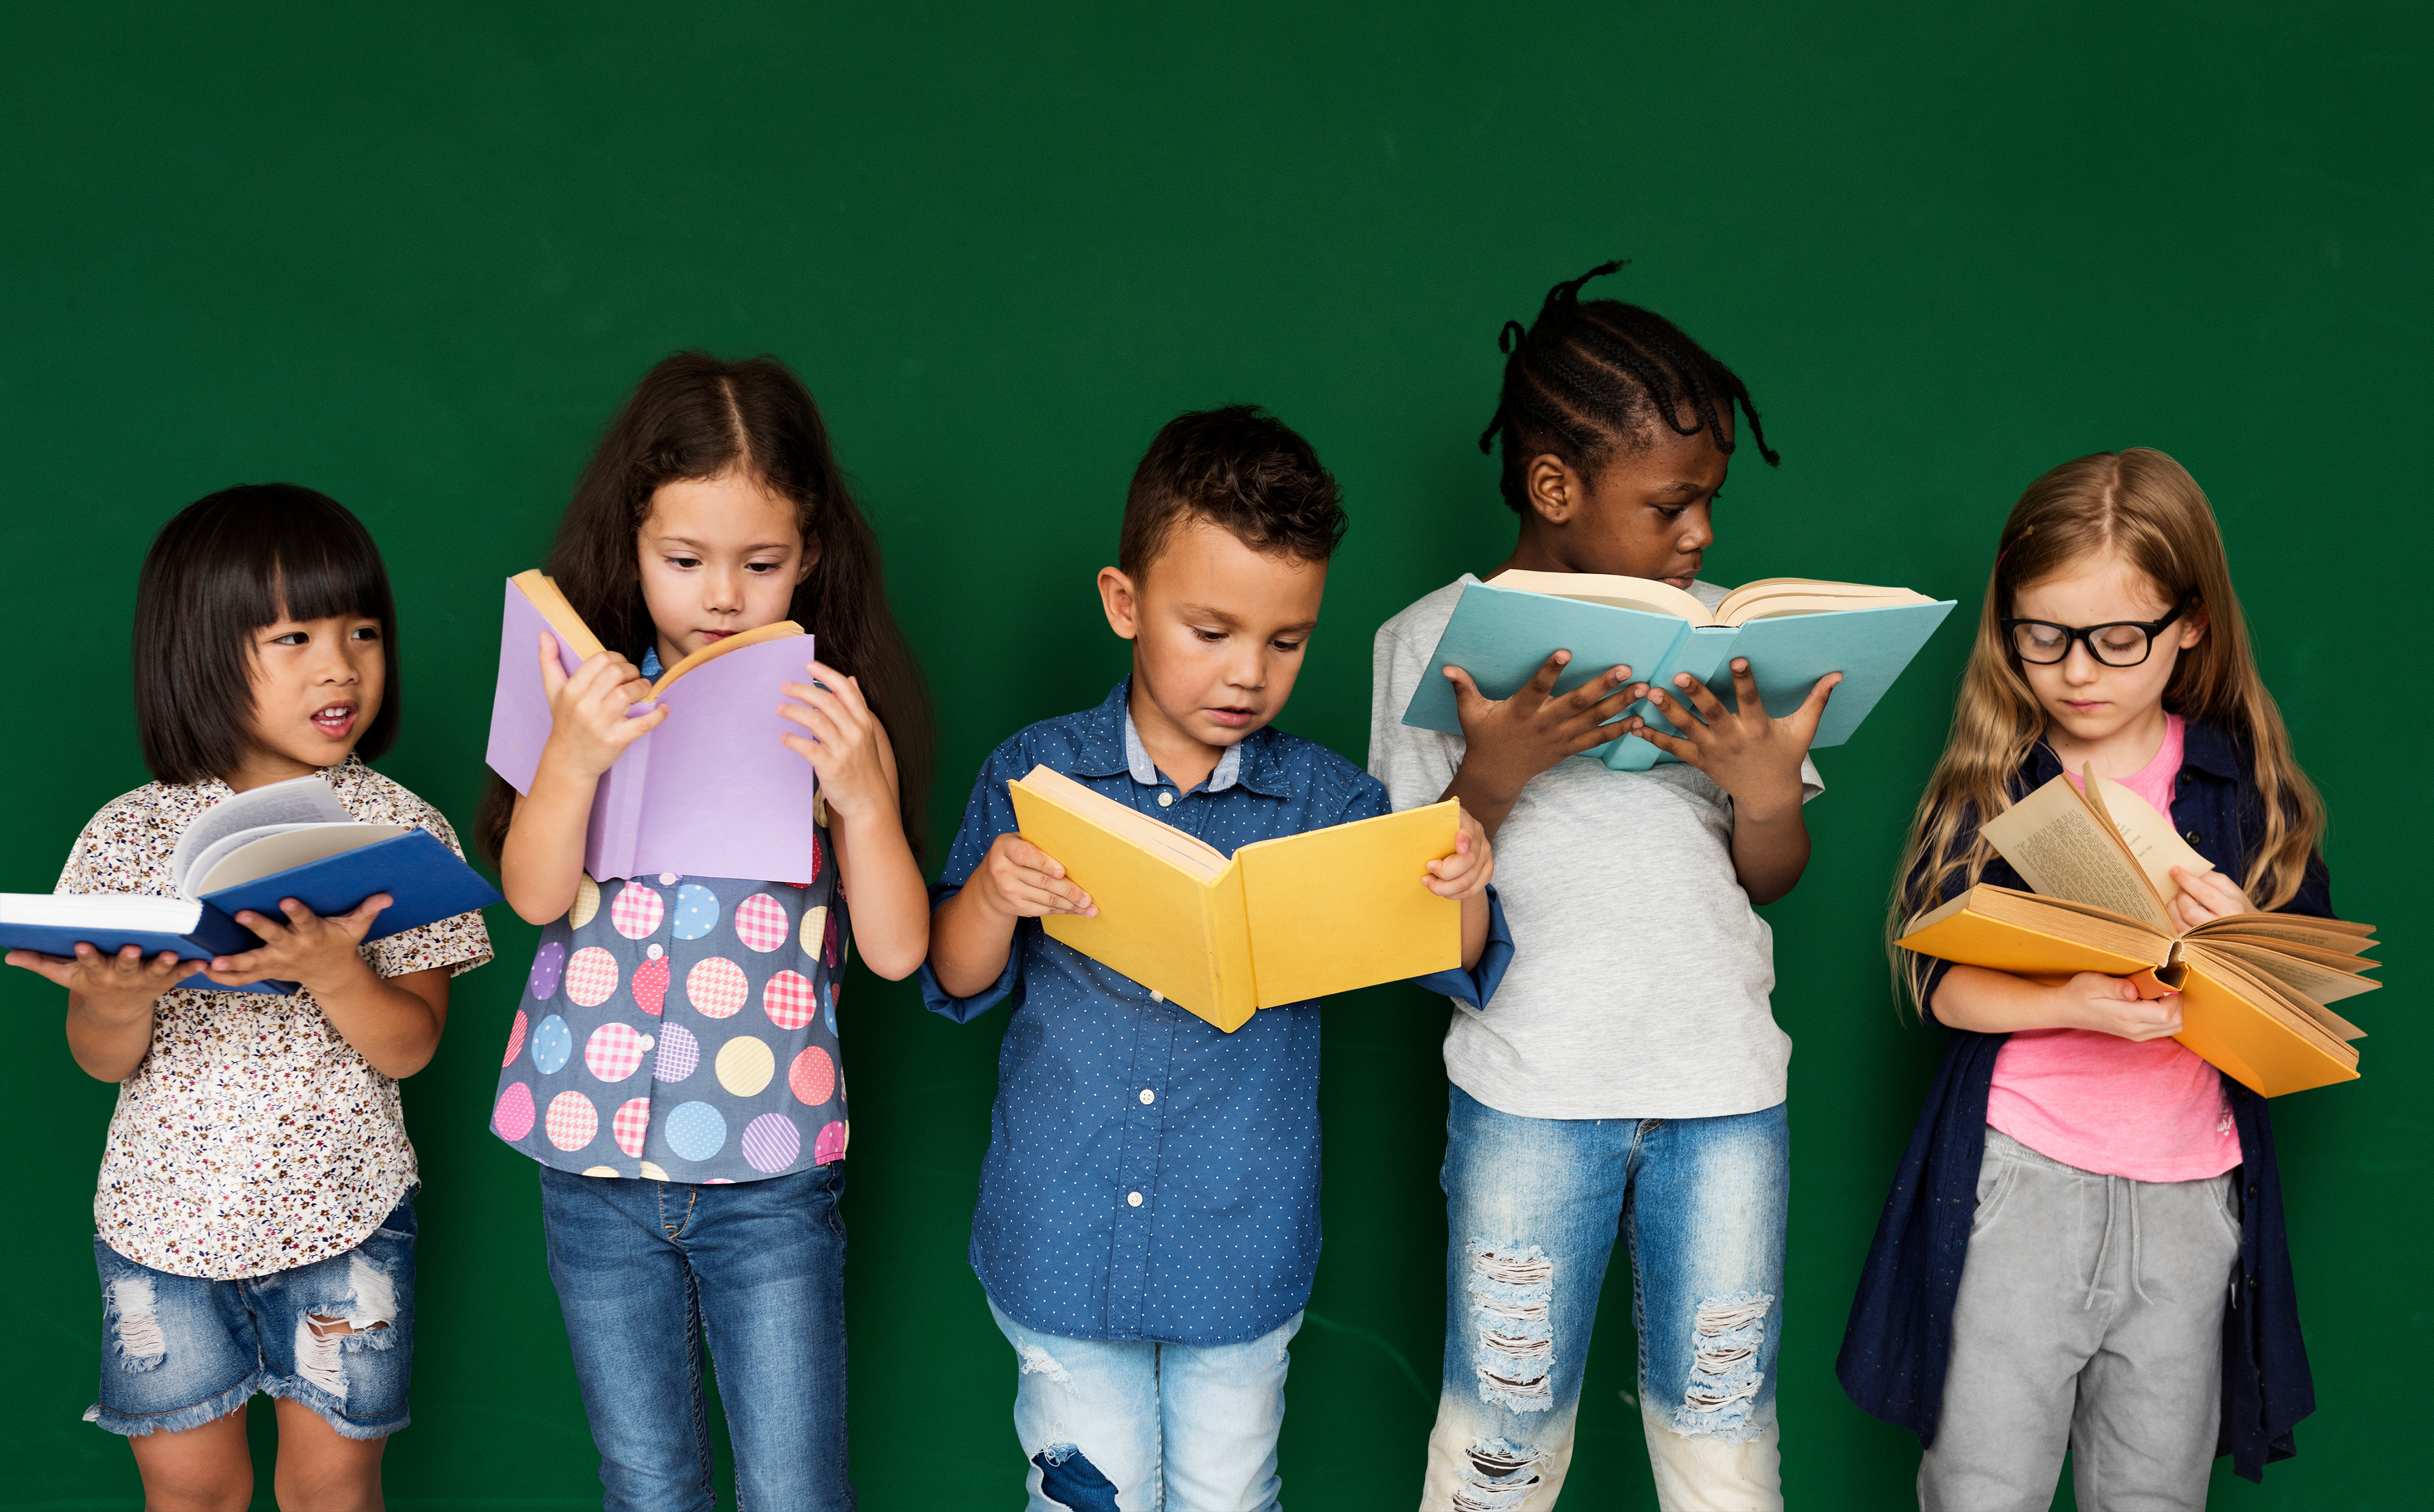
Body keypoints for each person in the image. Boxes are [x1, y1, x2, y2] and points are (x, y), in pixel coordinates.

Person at [922, 405, 1508, 1512]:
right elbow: (955, 977)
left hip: (1241, 1247)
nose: (1250, 673)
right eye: (1212, 632)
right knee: (1091, 1499)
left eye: (1287, 641)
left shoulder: (1333, 803)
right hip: (1060, 1234)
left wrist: (1465, 886)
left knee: (1231, 1496)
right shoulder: (1039, 772)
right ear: (1124, 604)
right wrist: (996, 894)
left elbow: (1453, 964)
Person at [1370, 263, 1838, 1511]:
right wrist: (1494, 774)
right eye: (1673, 505)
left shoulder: (1730, 636)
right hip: (1532, 1095)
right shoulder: (1429, 646)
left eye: (1711, 503)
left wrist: (1765, 786)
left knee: (1724, 1431)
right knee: (1502, 1436)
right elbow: (1411, 917)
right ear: (1555, 487)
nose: (1703, 535)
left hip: (1724, 1091)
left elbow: (1771, 876)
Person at [1838, 447, 2331, 1510]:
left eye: (2116, 640)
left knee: (2154, 1491)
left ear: (2189, 622)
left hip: (2192, 1196)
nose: (2075, 673)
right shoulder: (2000, 777)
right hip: (2019, 1179)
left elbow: (2314, 1006)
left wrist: (2245, 937)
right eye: (2042, 637)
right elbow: (1942, 990)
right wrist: (2073, 1002)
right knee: (1983, 1484)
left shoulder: (2239, 789)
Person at [481, 352, 932, 1511]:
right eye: (684, 561)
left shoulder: (832, 719)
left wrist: (869, 802)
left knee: (792, 1488)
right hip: (589, 1158)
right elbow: (533, 895)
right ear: (631, 544)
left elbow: (895, 951)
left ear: (813, 553)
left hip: (768, 1167)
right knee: (645, 1477)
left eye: (761, 563)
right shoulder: (588, 695)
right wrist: (571, 761)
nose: (722, 596)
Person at [7, 484, 493, 1510]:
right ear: (198, 650)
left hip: (345, 1216)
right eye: (294, 637)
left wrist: (331, 969)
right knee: (189, 1493)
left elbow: (410, 1048)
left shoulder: (402, 833)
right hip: (162, 1227)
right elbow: (101, 1057)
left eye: (364, 630)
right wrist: (115, 998)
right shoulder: (128, 834)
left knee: (334, 1490)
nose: (341, 666)